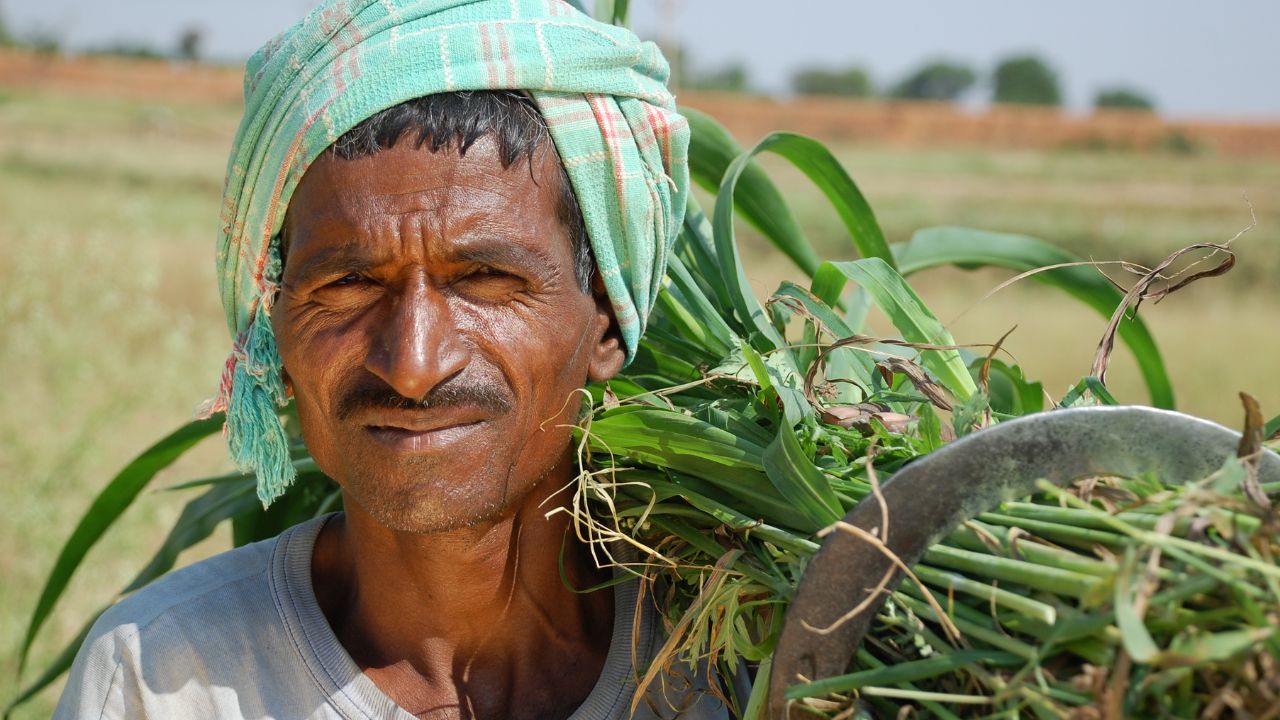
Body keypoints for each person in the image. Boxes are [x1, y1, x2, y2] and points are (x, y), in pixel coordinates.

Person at [54, 1, 727, 718]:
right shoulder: (162, 678)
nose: (413, 363)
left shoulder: (740, 667)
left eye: (485, 280)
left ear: (605, 319)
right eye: (346, 285)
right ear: (274, 335)